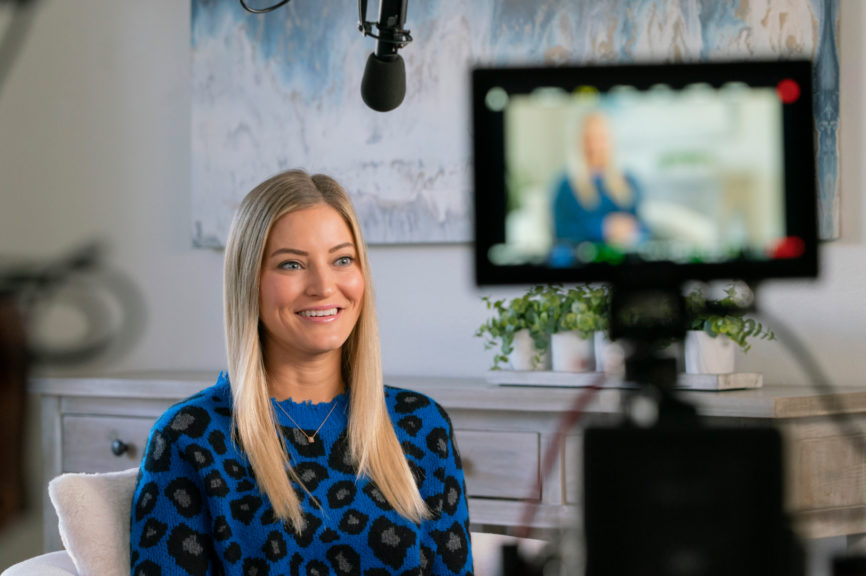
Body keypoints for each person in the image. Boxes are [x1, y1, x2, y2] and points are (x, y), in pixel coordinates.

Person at [129, 170, 473, 575]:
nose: (324, 286)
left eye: (342, 260)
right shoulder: (190, 437)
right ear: (249, 282)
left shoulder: (421, 425)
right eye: (291, 264)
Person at [551, 112, 645, 249]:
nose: (595, 146)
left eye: (601, 138)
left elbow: (642, 225)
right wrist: (603, 228)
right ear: (579, 143)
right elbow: (561, 232)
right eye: (589, 139)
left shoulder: (629, 181)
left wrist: (630, 229)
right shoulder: (566, 186)